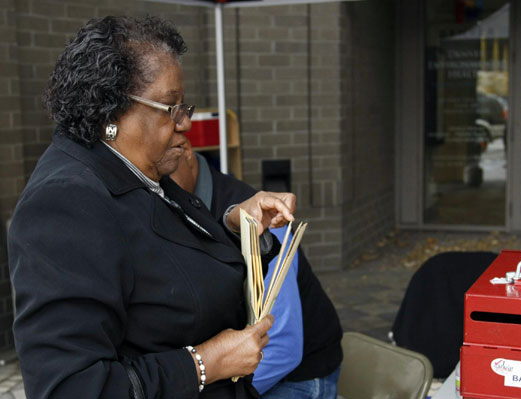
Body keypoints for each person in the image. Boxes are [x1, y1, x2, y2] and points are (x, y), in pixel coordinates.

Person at [7, 16, 298, 399]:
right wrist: (204, 363)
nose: (186, 124)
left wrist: (234, 226)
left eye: (185, 106)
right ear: (110, 111)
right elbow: (70, 386)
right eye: (169, 108)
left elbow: (163, 265)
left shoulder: (135, 168)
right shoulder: (64, 204)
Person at [170, 139, 344, 398]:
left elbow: (283, 349)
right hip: (231, 371)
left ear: (184, 151)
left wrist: (211, 386)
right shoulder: (174, 209)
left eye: (161, 172)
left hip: (298, 376)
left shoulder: (261, 216)